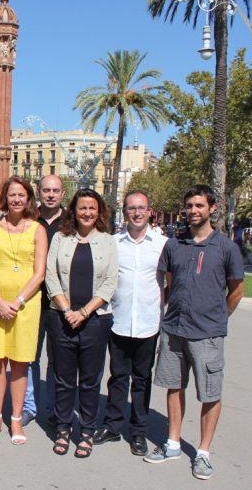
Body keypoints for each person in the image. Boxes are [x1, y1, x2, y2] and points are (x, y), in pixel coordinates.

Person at [144, 184, 244, 480]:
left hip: (208, 334)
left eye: (199, 205)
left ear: (212, 208)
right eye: (189, 206)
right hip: (174, 329)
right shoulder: (174, 245)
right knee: (175, 386)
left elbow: (237, 291)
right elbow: (170, 281)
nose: (192, 211)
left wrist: (218, 318)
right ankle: (173, 443)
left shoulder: (226, 248)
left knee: (210, 393)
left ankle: (202, 452)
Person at [93, 191, 167, 456]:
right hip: (118, 321)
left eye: (141, 208)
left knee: (142, 379)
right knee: (118, 378)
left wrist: (162, 311)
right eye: (131, 209)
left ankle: (138, 432)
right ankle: (113, 426)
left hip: (148, 323)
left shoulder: (162, 244)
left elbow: (169, 282)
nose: (136, 213)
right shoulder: (113, 243)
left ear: (149, 212)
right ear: (124, 213)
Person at [45, 188, 117, 458]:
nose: (87, 213)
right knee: (63, 379)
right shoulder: (61, 238)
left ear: (99, 212)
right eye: (82, 208)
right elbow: (50, 275)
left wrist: (83, 312)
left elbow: (110, 282)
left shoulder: (108, 241)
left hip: (95, 321)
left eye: (92, 208)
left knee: (89, 381)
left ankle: (86, 431)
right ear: (73, 210)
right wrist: (66, 310)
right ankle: (63, 428)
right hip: (61, 318)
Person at [0, 176, 47, 444]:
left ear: (28, 198)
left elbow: (39, 273)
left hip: (25, 306)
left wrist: (17, 301)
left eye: (21, 195)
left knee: (20, 364)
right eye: (12, 195)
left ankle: (16, 420)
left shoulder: (38, 230)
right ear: (4, 198)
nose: (16, 199)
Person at [25, 174, 64, 426]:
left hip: (62, 301)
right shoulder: (29, 220)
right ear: (38, 192)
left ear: (62, 193)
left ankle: (52, 407)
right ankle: (29, 406)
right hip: (32, 299)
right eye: (46, 190)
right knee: (29, 356)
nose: (50, 194)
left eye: (55, 190)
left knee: (58, 357)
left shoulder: (72, 221)